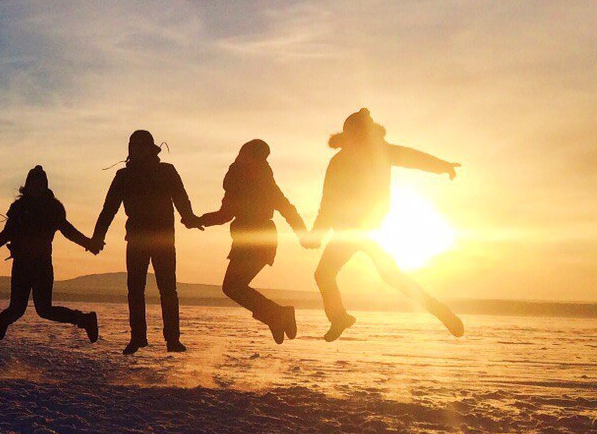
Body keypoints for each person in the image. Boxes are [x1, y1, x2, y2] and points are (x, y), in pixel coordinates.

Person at [306, 109, 465, 341]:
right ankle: (438, 310)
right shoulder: (349, 159)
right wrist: (318, 233)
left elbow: (413, 158)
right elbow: (328, 200)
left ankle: (339, 317)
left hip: (358, 229)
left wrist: (443, 166)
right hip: (357, 230)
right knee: (387, 275)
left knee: (327, 274)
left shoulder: (373, 153)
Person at [91, 130, 202, 355]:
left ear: (149, 148)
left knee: (168, 289)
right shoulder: (123, 176)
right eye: (134, 146)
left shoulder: (166, 171)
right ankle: (138, 337)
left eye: (142, 146)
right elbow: (109, 209)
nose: (137, 150)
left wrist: (189, 218)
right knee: (135, 290)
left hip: (163, 239)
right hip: (136, 240)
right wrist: (98, 236)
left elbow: (181, 197)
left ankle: (172, 339)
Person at [198, 139, 308, 344]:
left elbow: (286, 207)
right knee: (233, 287)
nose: (243, 157)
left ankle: (278, 314)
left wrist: (303, 234)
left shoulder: (262, 180)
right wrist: (200, 220)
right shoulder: (236, 180)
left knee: (233, 286)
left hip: (259, 237)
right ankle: (275, 316)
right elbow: (225, 215)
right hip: (248, 238)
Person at [0, 165, 99, 344]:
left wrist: (88, 243)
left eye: (39, 184)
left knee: (44, 309)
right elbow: (7, 234)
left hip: (42, 266)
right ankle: (5, 319)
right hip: (21, 265)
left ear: (45, 186)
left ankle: (85, 320)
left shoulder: (52, 208)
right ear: (27, 185)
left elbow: (68, 230)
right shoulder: (19, 207)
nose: (36, 187)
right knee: (17, 308)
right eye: (33, 183)